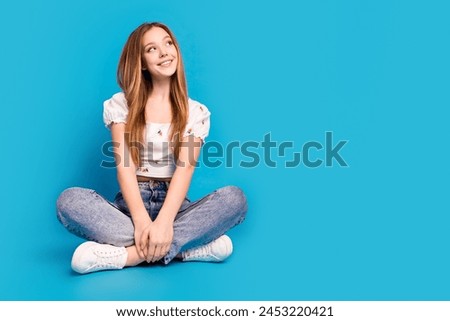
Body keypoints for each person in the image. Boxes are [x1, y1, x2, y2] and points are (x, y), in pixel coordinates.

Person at [56, 22, 248, 274]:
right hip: (130, 207)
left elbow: (185, 169)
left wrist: (165, 223)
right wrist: (142, 221)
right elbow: (124, 168)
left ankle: (129, 255)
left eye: (168, 43)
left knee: (236, 199)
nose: (165, 52)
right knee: (68, 201)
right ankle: (183, 250)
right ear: (142, 62)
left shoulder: (195, 112)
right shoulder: (121, 105)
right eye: (152, 48)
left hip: (175, 208)